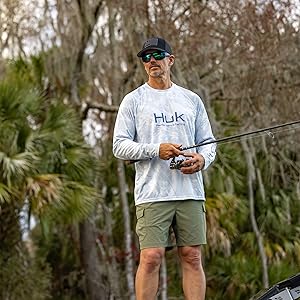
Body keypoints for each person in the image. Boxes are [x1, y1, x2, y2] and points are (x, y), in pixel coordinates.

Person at [112, 37, 216, 300]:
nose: (151, 61)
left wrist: (202, 160)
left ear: (170, 59)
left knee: (192, 256)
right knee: (151, 257)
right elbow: (119, 146)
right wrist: (155, 149)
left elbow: (209, 143)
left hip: (190, 192)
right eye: (145, 58)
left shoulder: (191, 99)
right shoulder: (133, 101)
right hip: (152, 194)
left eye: (157, 55)